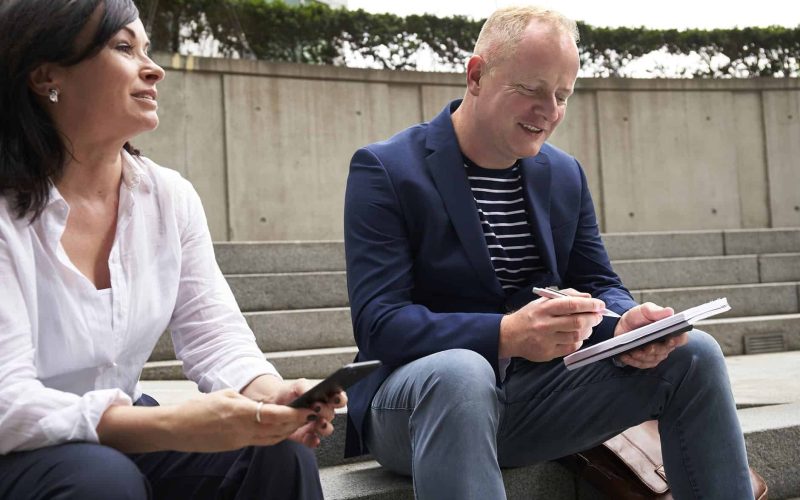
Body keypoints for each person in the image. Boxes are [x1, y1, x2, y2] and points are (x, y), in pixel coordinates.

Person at [343, 5, 754, 499]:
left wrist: (626, 324)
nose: (551, 111)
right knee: (462, 370)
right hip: (415, 410)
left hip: (535, 399)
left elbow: (599, 281)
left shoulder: (564, 174)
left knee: (696, 354)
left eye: (562, 95)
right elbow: (379, 323)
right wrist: (504, 335)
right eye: (532, 90)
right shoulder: (386, 170)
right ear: (476, 75)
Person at [0, 1, 345, 499]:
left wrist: (271, 399)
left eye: (147, 48)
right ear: (45, 75)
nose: (153, 67)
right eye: (123, 47)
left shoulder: (168, 197)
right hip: (18, 446)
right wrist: (171, 424)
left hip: (115, 433)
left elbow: (213, 335)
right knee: (102, 480)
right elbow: (8, 403)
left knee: (278, 453)